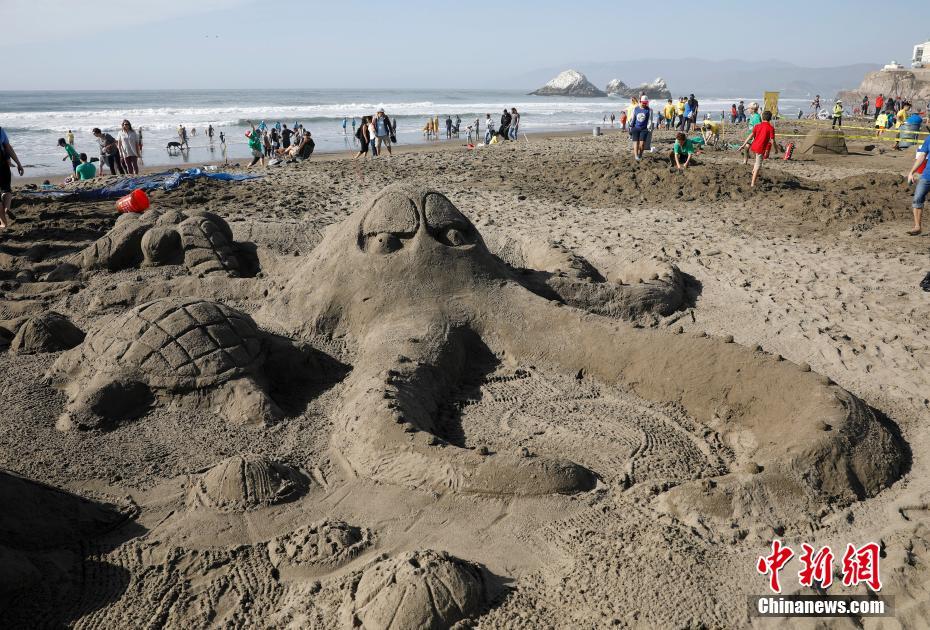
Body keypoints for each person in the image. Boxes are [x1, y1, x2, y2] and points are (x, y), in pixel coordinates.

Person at [739, 110, 776, 188]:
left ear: (762, 118)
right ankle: (752, 184)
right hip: (760, 148)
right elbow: (772, 141)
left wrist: (743, 145)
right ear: (770, 119)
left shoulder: (757, 126)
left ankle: (754, 170)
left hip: (753, 147)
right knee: (758, 166)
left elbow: (750, 136)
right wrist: (776, 149)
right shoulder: (771, 128)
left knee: (757, 162)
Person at [906, 130, 930, 235]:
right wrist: (912, 172)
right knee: (917, 199)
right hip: (927, 175)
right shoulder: (929, 138)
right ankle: (917, 227)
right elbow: (922, 156)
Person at [0, 126, 25, 229]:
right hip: (3, 164)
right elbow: (8, 148)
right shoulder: (0, 130)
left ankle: (3, 223)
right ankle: (6, 208)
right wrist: (19, 164)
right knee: (6, 189)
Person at [629, 97, 651, 161]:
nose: (644, 104)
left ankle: (640, 155)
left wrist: (649, 128)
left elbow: (650, 120)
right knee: (636, 143)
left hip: (644, 129)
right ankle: (636, 156)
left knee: (642, 144)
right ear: (640, 102)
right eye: (643, 103)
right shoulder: (635, 109)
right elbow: (632, 118)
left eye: (646, 103)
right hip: (635, 128)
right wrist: (631, 127)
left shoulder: (648, 110)